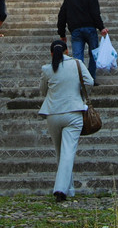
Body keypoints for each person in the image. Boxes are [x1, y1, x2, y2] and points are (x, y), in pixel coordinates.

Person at [39, 39, 94, 202]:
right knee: (68, 151)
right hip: (74, 111)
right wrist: (79, 93)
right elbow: (90, 82)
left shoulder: (47, 69)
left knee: (60, 152)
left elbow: (43, 91)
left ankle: (67, 189)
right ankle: (62, 188)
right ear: (67, 51)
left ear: (51, 53)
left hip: (53, 113)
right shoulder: (77, 64)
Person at [57, 0, 108, 82]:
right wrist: (101, 28)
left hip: (76, 31)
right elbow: (95, 14)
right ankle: (91, 78)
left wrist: (62, 34)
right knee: (94, 54)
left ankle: (81, 80)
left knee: (78, 57)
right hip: (90, 29)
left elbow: (61, 16)